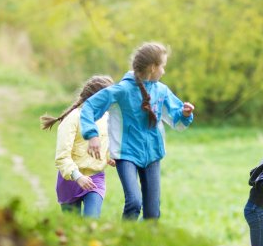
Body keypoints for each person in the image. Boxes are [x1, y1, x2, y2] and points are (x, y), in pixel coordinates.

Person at [80, 42, 195, 220]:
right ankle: (127, 242)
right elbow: (89, 106)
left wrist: (185, 113)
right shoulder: (122, 91)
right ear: (152, 68)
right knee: (134, 202)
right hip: (126, 154)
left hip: (153, 154)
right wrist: (92, 135)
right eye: (162, 66)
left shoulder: (161, 90)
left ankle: (146, 244)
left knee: (153, 213)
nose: (164, 71)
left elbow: (176, 118)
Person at [40, 75, 115, 218]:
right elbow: (62, 158)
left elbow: (104, 144)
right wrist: (78, 176)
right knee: (71, 228)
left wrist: (109, 157)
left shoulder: (107, 118)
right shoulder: (72, 119)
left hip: (95, 179)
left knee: (91, 220)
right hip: (70, 181)